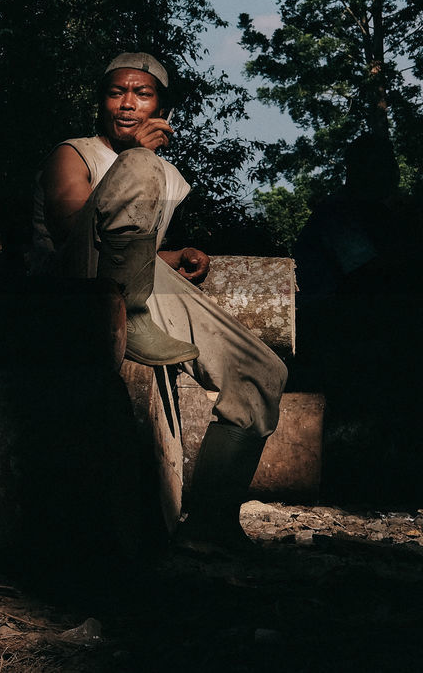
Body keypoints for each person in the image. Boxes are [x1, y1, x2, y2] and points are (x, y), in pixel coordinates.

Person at [31, 53, 288, 547]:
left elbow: (127, 241)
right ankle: (131, 312)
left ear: (161, 107)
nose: (127, 104)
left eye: (141, 94)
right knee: (142, 165)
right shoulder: (75, 152)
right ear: (100, 101)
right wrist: (139, 162)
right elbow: (72, 231)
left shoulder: (159, 171)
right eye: (116, 92)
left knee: (262, 373)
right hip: (71, 288)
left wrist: (173, 254)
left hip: (130, 279)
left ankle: (212, 521)